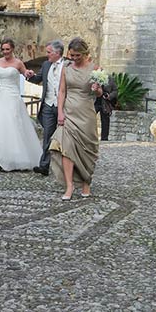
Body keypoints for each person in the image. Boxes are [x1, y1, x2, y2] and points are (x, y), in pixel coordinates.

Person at [0, 38, 42, 171]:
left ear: (12, 49)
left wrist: (29, 73)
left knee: (13, 126)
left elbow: (25, 73)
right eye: (3, 49)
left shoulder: (18, 63)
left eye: (8, 49)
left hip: (13, 97)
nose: (5, 52)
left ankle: (14, 158)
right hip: (0, 94)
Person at [49, 37, 103, 200]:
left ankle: (86, 182)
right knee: (65, 148)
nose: (73, 58)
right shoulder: (66, 68)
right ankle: (69, 186)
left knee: (86, 150)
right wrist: (60, 112)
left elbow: (99, 94)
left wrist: (97, 89)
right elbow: (62, 91)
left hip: (86, 114)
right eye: (71, 55)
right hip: (69, 113)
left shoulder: (95, 69)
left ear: (85, 54)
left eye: (77, 56)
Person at [28, 39, 65, 176]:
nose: (47, 54)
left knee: (64, 137)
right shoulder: (46, 64)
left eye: (49, 52)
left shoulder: (67, 65)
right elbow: (38, 79)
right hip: (48, 105)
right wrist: (30, 76)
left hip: (63, 106)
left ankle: (64, 165)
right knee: (47, 135)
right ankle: (44, 165)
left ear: (57, 53)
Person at [94, 75, 118, 141]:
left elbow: (115, 91)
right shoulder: (92, 78)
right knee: (89, 118)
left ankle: (104, 139)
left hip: (105, 102)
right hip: (95, 102)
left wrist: (109, 96)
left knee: (105, 121)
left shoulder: (110, 78)